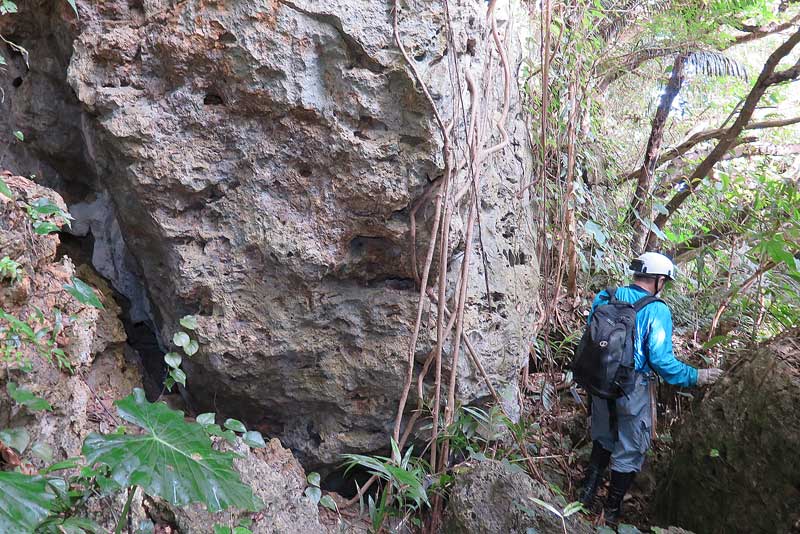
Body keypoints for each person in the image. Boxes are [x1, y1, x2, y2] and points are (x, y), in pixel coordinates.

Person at [578, 252, 723, 526]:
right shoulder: (658, 310)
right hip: (633, 387)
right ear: (658, 280)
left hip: (599, 381)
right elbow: (661, 360)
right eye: (664, 281)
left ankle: (585, 495)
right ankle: (610, 513)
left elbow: (591, 336)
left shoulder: (605, 296)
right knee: (631, 447)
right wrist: (697, 376)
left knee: (602, 436)